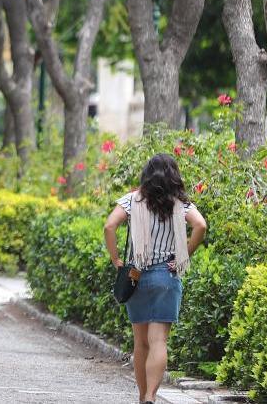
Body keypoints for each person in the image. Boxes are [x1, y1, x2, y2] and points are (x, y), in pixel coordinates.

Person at [104, 154, 207, 404]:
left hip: (136, 276)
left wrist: (116, 260)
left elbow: (109, 226)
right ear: (174, 176)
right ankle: (151, 396)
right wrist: (183, 254)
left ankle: (142, 397)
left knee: (141, 343)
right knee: (158, 340)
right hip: (167, 276)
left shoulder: (132, 200)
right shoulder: (181, 203)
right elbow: (200, 226)